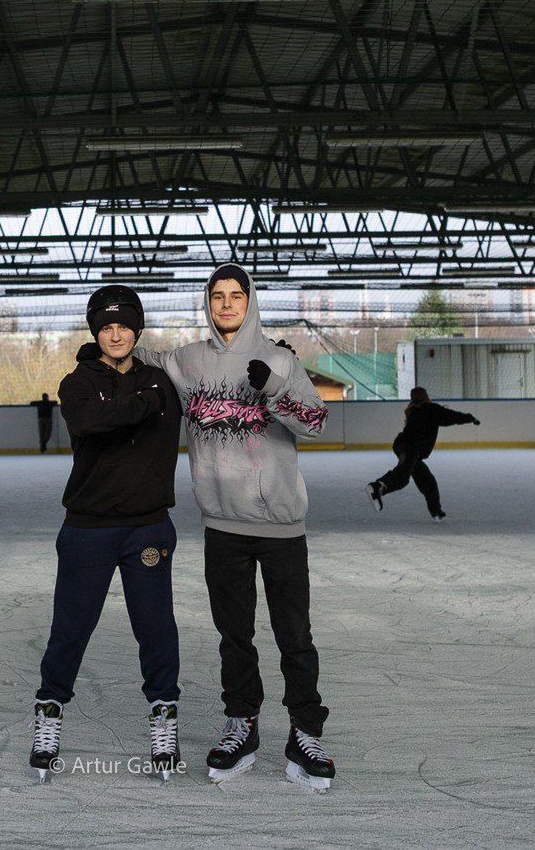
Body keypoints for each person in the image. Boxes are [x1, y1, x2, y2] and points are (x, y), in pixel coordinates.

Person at [97, 264, 336, 791]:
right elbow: (136, 355)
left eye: (236, 295)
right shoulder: (188, 361)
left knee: (294, 635)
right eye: (217, 296)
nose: (227, 304)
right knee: (235, 635)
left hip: (280, 525)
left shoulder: (280, 358)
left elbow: (317, 423)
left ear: (251, 301)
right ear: (207, 302)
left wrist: (275, 388)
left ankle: (305, 731)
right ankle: (242, 724)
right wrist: (105, 349)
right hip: (222, 525)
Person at [31, 286, 183, 782]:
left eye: (124, 326)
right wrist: (144, 403)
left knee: (155, 628)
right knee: (71, 628)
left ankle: (163, 716)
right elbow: (92, 421)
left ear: (137, 330)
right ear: (95, 332)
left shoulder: (161, 379)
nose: (115, 334)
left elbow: (186, 406)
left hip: (147, 527)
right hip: (88, 529)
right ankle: (49, 711)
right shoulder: (78, 382)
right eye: (106, 327)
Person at [367, 387, 480, 520]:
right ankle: (377, 487)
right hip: (409, 448)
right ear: (425, 396)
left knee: (427, 480)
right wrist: (470, 418)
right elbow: (452, 416)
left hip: (404, 446)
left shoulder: (414, 411)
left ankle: (436, 511)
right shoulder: (431, 409)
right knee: (402, 477)